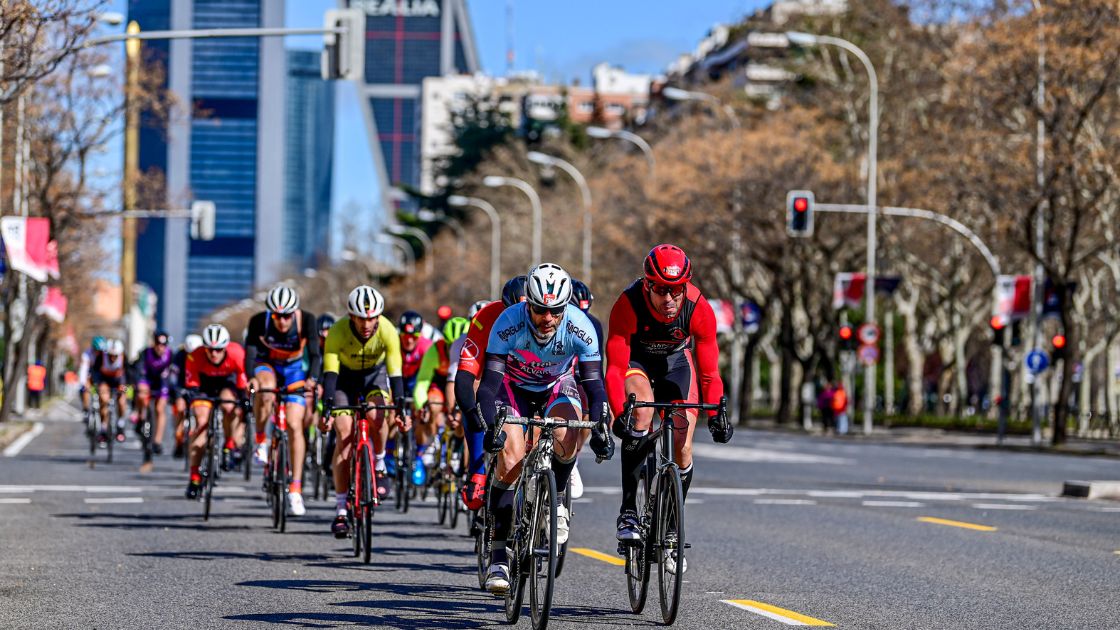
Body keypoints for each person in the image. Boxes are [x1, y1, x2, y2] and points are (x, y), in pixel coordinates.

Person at [473, 263, 614, 593]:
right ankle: (498, 557)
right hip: (514, 387)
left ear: (565, 307)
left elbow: (594, 384)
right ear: (528, 305)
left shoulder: (581, 328)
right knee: (509, 461)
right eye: (539, 310)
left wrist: (602, 424)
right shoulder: (508, 323)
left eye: (554, 311)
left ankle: (559, 500)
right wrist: (490, 423)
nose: (547, 319)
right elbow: (491, 381)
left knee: (569, 431)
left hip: (555, 385)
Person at [606, 244, 732, 575]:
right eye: (661, 290)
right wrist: (620, 412)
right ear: (648, 284)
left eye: (675, 290)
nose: (669, 299)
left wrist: (718, 413)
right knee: (642, 413)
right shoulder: (628, 303)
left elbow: (709, 373)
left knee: (683, 446)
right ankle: (629, 510)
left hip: (676, 363)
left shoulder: (698, 307)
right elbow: (616, 367)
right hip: (638, 362)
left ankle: (672, 530)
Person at [320, 285, 407, 538]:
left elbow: (396, 372)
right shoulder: (336, 332)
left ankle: (379, 464)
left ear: (378, 316)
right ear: (351, 316)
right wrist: (327, 409)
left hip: (374, 377)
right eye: (361, 318)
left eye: (371, 318)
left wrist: (400, 407)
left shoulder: (388, 331)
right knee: (345, 438)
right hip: (343, 380)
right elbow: (330, 374)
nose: (367, 323)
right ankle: (340, 509)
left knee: (376, 413)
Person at [244, 285, 320, 517]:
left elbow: (316, 354)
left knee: (295, 425)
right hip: (267, 365)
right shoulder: (258, 321)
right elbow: (250, 356)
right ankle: (261, 440)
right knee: (265, 390)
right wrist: (251, 379)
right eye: (278, 316)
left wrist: (313, 379)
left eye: (287, 316)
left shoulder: (307, 320)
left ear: (294, 313)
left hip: (294, 370)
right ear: (271, 314)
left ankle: (295, 488)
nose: (283, 321)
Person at [453, 279, 527, 514]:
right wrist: (471, 413)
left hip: (527, 377)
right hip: (493, 373)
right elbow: (466, 374)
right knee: (476, 388)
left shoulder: (544, 318)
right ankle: (477, 468)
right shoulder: (486, 317)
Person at [182, 325, 248, 500]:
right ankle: (195, 478)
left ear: (225, 347)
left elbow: (242, 384)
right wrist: (190, 396)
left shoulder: (237, 354)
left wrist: (244, 400)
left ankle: (229, 445)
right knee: (202, 421)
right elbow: (192, 386)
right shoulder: (194, 356)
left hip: (227, 382)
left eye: (218, 350)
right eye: (210, 350)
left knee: (229, 406)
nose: (214, 354)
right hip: (204, 385)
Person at [398, 311, 434, 477]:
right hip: (398, 379)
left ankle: (419, 456)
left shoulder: (426, 346)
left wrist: (422, 402)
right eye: (405, 335)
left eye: (414, 335)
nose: (409, 339)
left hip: (417, 380)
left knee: (420, 417)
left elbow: (426, 378)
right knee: (391, 414)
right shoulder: (395, 344)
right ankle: (391, 452)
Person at [135, 330, 174, 455]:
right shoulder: (146, 353)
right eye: (158, 344)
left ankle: (157, 441)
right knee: (141, 395)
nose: (160, 347)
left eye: (163, 345)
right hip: (147, 379)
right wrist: (140, 386)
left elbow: (173, 374)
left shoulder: (170, 355)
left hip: (162, 382)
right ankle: (140, 417)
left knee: (160, 408)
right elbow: (139, 371)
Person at [170, 334, 203, 458]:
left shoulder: (204, 356)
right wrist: (176, 393)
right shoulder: (179, 356)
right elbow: (173, 377)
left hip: (198, 388)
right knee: (180, 408)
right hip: (182, 386)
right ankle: (178, 438)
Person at [91, 339, 129, 443]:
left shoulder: (123, 357)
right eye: (111, 355)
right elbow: (94, 371)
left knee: (122, 400)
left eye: (115, 355)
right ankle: (103, 428)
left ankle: (120, 425)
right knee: (104, 399)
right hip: (104, 381)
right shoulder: (101, 357)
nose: (113, 358)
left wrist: (127, 387)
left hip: (119, 381)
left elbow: (129, 373)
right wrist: (96, 384)